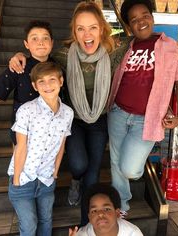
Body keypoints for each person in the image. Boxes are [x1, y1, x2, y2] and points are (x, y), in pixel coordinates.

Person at [8, 1, 115, 225]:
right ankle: (76, 180)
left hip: (100, 119)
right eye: (80, 28)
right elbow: (40, 58)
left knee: (94, 171)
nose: (87, 34)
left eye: (93, 27)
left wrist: (175, 49)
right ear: (74, 31)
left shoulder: (114, 51)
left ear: (102, 28)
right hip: (72, 119)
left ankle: (87, 224)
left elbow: (141, 45)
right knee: (78, 164)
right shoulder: (64, 54)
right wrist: (19, 55)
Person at [107, 0, 178, 213]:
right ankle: (122, 204)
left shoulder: (171, 47)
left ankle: (132, 173)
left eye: (144, 15)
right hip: (117, 111)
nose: (140, 21)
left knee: (130, 169)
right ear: (128, 25)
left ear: (152, 17)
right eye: (133, 20)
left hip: (147, 118)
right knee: (115, 162)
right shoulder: (123, 45)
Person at [8, 61, 74, 235]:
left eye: (52, 79)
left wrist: (55, 172)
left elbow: (61, 145)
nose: (47, 85)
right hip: (24, 178)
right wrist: (17, 180)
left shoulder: (68, 113)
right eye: (41, 81)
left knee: (46, 220)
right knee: (29, 225)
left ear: (61, 81)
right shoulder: (26, 110)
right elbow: (20, 146)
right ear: (34, 86)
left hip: (46, 179)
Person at [0, 20, 54, 144]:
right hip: (24, 131)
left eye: (45, 38)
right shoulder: (19, 66)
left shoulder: (59, 66)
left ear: (52, 43)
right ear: (26, 44)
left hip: (52, 129)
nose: (41, 43)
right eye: (34, 39)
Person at [68, 183, 143, 236]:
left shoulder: (133, 233)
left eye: (107, 209)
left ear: (117, 213)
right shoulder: (81, 234)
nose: (100, 214)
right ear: (89, 217)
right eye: (94, 211)